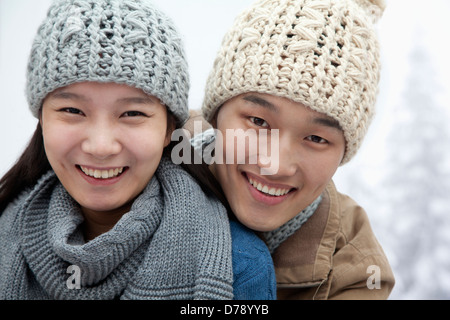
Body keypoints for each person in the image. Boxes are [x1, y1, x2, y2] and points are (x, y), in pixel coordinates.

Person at [0, 0, 275, 300]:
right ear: (42, 120)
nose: (101, 147)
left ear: (170, 128)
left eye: (132, 114)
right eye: (72, 110)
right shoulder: (6, 232)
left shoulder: (240, 266)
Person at [189, 0, 395, 299]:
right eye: (258, 121)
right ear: (216, 115)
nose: (276, 165)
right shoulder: (141, 167)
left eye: (316, 138)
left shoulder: (356, 272)